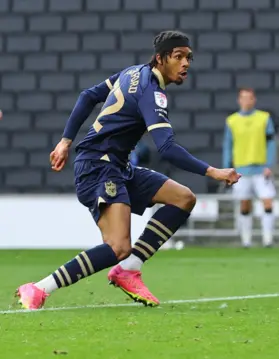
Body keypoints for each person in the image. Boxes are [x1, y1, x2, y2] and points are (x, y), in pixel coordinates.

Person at [15, 30, 240, 310]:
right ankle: (38, 288)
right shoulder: (152, 92)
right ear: (160, 59)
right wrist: (213, 171)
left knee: (183, 198)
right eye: (178, 57)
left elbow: (88, 96)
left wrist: (65, 141)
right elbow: (166, 147)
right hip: (98, 168)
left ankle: (129, 269)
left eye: (189, 58)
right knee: (118, 246)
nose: (186, 64)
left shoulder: (132, 72)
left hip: (117, 166)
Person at [222, 88, 277, 248]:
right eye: (243, 98)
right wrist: (226, 168)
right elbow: (228, 145)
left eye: (250, 98)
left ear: (254, 100)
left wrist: (269, 164)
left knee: (267, 202)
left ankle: (268, 239)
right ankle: (246, 240)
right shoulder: (231, 121)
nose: (247, 101)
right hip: (241, 170)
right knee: (245, 204)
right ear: (239, 100)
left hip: (261, 169)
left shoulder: (264, 118)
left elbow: (271, 142)